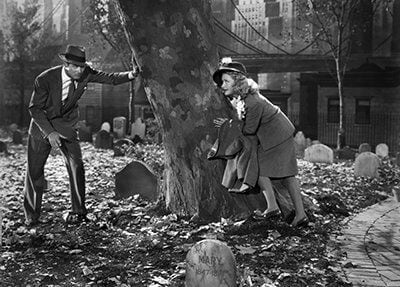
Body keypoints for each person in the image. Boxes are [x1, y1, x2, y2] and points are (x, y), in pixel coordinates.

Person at [23, 44, 139, 226]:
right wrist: (50, 132)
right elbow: (35, 109)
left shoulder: (86, 73)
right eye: (75, 66)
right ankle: (32, 216)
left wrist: (131, 75)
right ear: (66, 65)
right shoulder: (45, 79)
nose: (79, 70)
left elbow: (111, 78)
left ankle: (78, 211)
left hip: (67, 126)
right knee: (34, 172)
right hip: (41, 127)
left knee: (77, 166)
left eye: (82, 66)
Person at [212, 60, 308, 227]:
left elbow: (249, 129)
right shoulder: (244, 98)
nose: (222, 85)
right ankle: (291, 212)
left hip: (279, 137)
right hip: (273, 137)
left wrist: (228, 124)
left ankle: (282, 209)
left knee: (271, 172)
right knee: (282, 175)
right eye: (222, 82)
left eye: (226, 81)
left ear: (238, 81)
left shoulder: (252, 102)